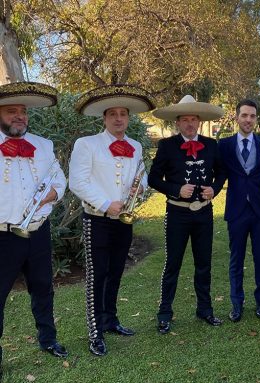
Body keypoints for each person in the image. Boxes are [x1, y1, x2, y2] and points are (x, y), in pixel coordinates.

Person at [69, 85, 155, 356]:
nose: (119, 119)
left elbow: (143, 176)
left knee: (116, 271)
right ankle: (94, 330)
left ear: (128, 118)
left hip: (124, 220)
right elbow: (77, 182)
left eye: (123, 114)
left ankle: (110, 319)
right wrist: (107, 204)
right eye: (113, 114)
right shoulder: (87, 144)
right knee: (98, 275)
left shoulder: (136, 146)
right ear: (104, 118)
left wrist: (139, 189)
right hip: (97, 219)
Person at [0, 82, 68, 372]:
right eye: (12, 111)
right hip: (4, 236)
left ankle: (48, 338)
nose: (20, 116)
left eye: (23, 111)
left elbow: (59, 179)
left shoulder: (43, 145)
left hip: (38, 231)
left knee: (43, 287)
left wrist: (55, 193)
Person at [148, 95, 226, 334]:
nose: (190, 124)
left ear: (199, 122)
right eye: (185, 120)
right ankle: (164, 313)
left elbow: (221, 173)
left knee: (204, 264)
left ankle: (205, 309)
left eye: (194, 119)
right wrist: (175, 189)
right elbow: (152, 179)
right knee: (173, 263)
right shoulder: (166, 146)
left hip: (204, 213)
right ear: (178, 123)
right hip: (177, 214)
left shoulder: (212, 145)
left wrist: (214, 188)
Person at [218, 99, 260, 322]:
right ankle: (236, 304)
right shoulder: (224, 145)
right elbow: (218, 173)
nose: (248, 119)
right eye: (245, 115)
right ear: (237, 117)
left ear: (256, 119)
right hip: (236, 210)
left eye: (252, 116)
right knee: (236, 259)